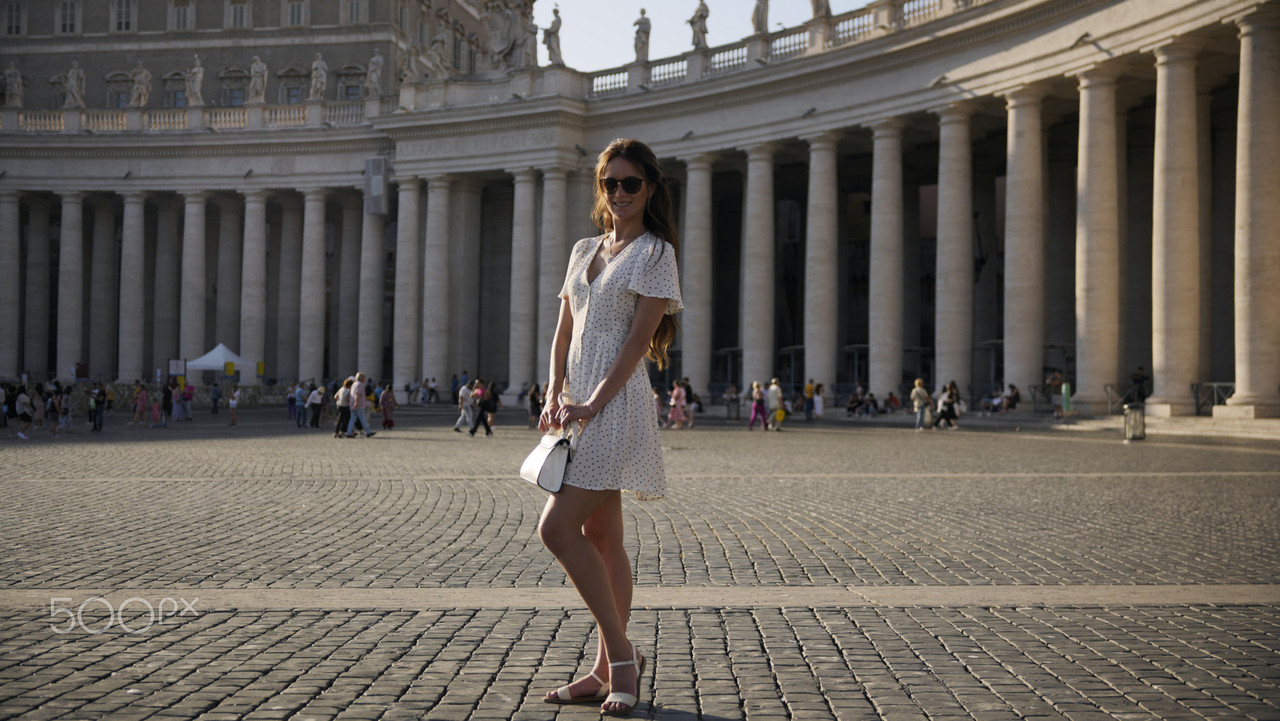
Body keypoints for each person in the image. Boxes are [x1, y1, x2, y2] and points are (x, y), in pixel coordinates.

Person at [538, 138, 682, 716]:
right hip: (574, 406)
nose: (619, 194)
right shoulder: (582, 250)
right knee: (603, 539)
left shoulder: (656, 253)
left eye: (630, 184)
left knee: (556, 529)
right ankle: (602, 672)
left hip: (614, 408)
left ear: (649, 188)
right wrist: (553, 393)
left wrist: (591, 404)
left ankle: (621, 657)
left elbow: (636, 344)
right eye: (610, 184)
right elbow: (563, 331)